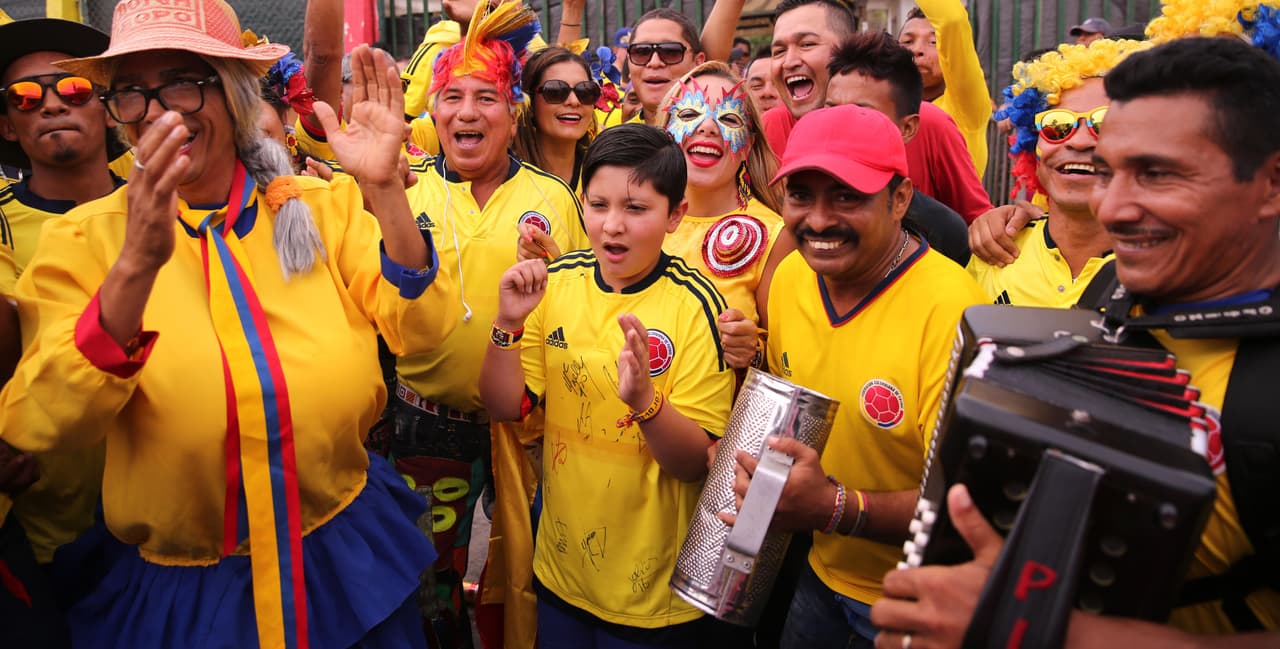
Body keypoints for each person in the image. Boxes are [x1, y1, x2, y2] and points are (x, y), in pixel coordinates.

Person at [0, 0, 458, 646]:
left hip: (341, 560)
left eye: (183, 83)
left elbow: (425, 332)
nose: (158, 112)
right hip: (189, 596)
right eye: (131, 93)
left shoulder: (321, 207)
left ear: (237, 96)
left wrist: (383, 191)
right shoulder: (83, 241)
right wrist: (133, 269)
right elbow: (41, 420)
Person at [870, 36, 1280, 649]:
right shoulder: (1117, 297)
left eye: (1158, 174)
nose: (1112, 207)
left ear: (1271, 183)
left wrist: (1047, 630)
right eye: (1112, 173)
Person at [723, 104, 987, 648]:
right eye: (801, 195)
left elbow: (969, 505)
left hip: (911, 601)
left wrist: (835, 507)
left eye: (847, 196)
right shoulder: (794, 274)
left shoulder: (953, 311)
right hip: (816, 576)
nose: (818, 220)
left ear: (900, 198)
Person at [479, 123, 734, 648]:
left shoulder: (696, 306)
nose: (612, 226)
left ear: (676, 215)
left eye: (636, 208)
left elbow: (695, 464)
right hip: (561, 571)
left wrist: (646, 402)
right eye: (598, 205)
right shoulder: (557, 281)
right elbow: (506, 405)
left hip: (654, 597)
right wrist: (505, 324)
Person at [391, 3, 587, 646]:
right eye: (452, 97)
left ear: (513, 112)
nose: (467, 112)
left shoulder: (553, 198)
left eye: (486, 97)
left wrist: (555, 273)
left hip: (522, 431)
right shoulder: (406, 193)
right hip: (426, 423)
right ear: (434, 113)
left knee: (520, 571)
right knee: (430, 580)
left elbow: (578, 307)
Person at [0, 22, 122, 643]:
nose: (50, 102)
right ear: (7, 124)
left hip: (164, 530)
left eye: (74, 87)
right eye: (24, 95)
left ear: (107, 107)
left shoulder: (173, 208)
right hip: (42, 534)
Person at [967, 39, 1150, 307]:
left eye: (1104, 122)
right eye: (1057, 125)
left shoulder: (1174, 268)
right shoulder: (995, 252)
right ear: (1034, 150)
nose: (1078, 141)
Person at [655, 61, 793, 370]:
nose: (707, 127)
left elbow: (792, 363)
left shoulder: (775, 236)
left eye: (728, 118)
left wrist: (752, 353)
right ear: (666, 133)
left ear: (748, 145)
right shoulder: (636, 217)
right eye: (689, 114)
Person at [825, 31, 972, 265]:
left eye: (862, 112)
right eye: (831, 109)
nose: (841, 124)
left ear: (907, 128)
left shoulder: (944, 232)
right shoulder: (798, 211)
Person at [898, 1, 991, 178]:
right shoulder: (883, 106)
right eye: (907, 42)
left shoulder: (967, 106)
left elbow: (952, 21)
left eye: (933, 42)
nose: (917, 50)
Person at [762, 0, 856, 157]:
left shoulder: (890, 117)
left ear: (848, 49)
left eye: (806, 44)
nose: (789, 62)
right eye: (779, 51)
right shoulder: (772, 127)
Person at [511, 46, 599, 191]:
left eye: (585, 91)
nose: (574, 101)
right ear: (529, 104)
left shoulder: (606, 173)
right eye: (555, 91)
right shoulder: (504, 177)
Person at [629, 8, 707, 124]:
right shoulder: (615, 139)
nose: (654, 63)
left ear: (698, 62)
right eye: (641, 52)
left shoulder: (715, 132)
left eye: (670, 51)